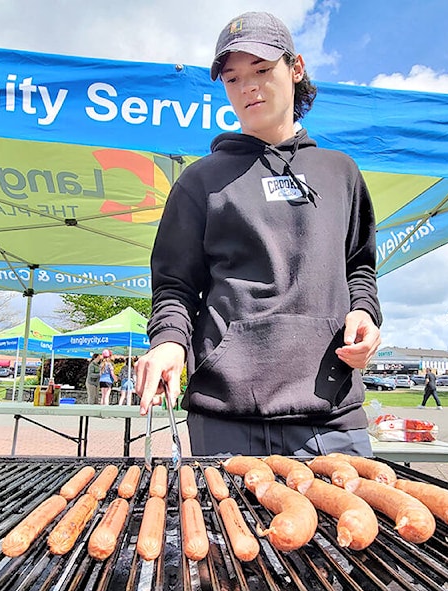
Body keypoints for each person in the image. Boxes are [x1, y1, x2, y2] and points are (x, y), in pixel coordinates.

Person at [136, 11, 382, 457]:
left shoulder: (341, 173)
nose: (247, 87)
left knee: (357, 526)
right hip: (225, 416)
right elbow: (175, 286)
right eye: (232, 79)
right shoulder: (199, 181)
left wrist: (365, 313)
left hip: (332, 415)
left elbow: (359, 267)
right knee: (220, 529)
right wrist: (170, 340)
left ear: (297, 68)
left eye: (262, 70)